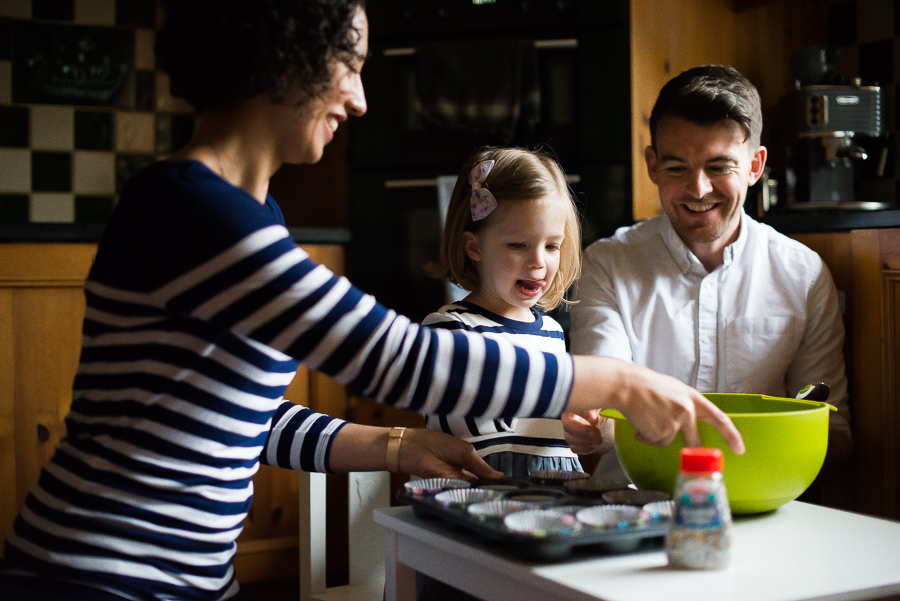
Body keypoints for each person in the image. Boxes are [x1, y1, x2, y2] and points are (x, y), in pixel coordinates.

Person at [0, 4, 744, 600]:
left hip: (179, 578)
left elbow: (253, 421)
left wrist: (400, 447)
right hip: (99, 572)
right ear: (285, 55)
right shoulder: (194, 210)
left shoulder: (249, 214)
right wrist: (614, 378)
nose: (358, 97)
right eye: (349, 65)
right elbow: (401, 361)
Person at [566, 65, 852, 481]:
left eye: (719, 166)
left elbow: (835, 432)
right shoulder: (607, 265)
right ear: (652, 164)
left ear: (755, 165)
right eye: (677, 167)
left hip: (763, 510)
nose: (698, 189)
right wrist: (591, 424)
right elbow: (603, 409)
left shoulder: (803, 274)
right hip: (633, 508)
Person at [423, 146, 584, 479]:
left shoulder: (552, 332)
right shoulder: (451, 328)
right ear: (474, 247)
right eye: (518, 245)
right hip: (486, 495)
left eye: (552, 245)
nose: (539, 262)